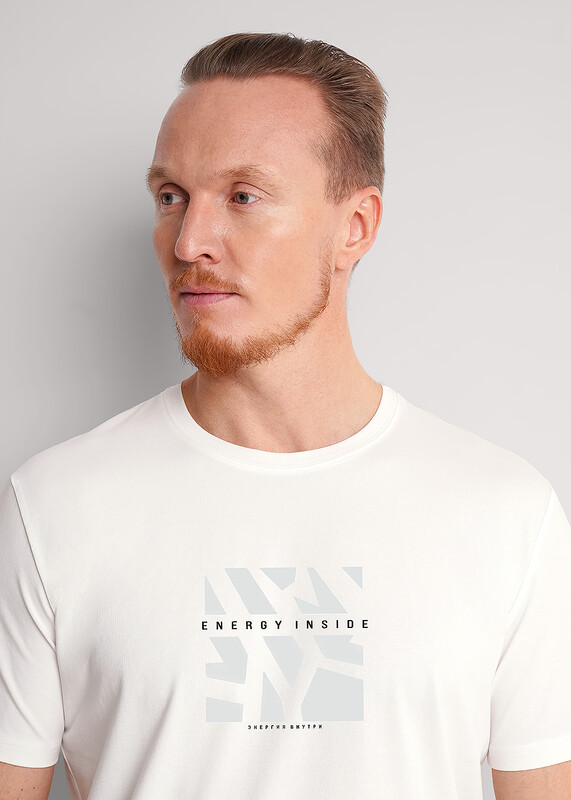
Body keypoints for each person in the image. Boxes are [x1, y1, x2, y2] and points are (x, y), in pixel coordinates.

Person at [0, 31, 570, 800]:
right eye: (170, 197)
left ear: (354, 227)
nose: (189, 242)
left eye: (243, 196)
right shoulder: (53, 506)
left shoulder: (504, 513)